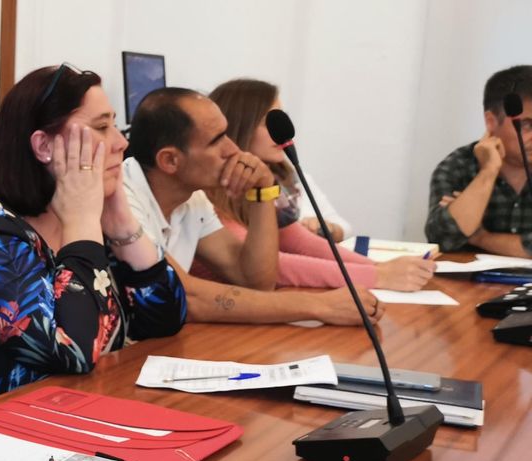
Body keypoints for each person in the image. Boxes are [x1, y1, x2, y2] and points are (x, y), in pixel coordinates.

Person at [0, 65, 185, 399]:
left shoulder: (84, 215)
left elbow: (165, 319)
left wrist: (121, 222)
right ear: (44, 146)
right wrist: (83, 225)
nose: (121, 142)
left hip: (78, 409)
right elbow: (68, 353)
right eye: (102, 127)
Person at [123, 87, 383, 325]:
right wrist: (317, 305)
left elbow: (254, 279)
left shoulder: (193, 198)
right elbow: (186, 296)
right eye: (217, 141)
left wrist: (262, 192)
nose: (234, 150)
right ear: (170, 160)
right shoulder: (125, 197)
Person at [205, 78, 434, 291]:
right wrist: (378, 277)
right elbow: (269, 267)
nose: (281, 132)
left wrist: (377, 267)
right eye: (269, 123)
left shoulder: (275, 177)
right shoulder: (210, 193)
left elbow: (297, 240)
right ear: (238, 130)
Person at [426, 65, 532, 258]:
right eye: (527, 125)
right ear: (491, 122)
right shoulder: (459, 165)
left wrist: (479, 237)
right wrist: (488, 171)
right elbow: (443, 238)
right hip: (468, 284)